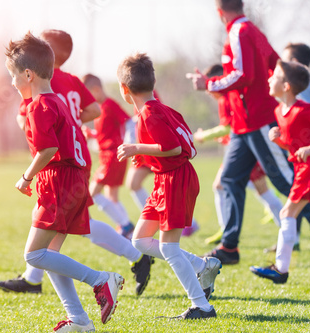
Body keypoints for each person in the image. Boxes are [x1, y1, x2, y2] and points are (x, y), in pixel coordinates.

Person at [0, 29, 153, 298]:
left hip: (59, 166)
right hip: (77, 157)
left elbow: (30, 125)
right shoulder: (70, 81)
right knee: (64, 232)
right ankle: (50, 290)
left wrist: (29, 169)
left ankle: (108, 273)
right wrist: (70, 122)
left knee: (56, 235)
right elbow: (94, 111)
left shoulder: (40, 87)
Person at [186, 0, 310, 266]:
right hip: (241, 124)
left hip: (257, 119)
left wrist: (208, 83)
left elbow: (244, 75)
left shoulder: (241, 32)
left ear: (219, 11)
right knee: (230, 180)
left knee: (284, 180)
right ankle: (230, 247)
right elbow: (274, 64)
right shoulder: (251, 31)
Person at [4, 32, 124, 332]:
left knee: (33, 254)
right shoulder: (57, 101)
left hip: (59, 181)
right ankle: (79, 321)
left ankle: (100, 279)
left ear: (28, 74)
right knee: (49, 256)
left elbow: (49, 150)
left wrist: (25, 177)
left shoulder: (37, 106)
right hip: (71, 179)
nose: (12, 83)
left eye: (13, 76)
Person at [116, 53, 221, 320]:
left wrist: (135, 148)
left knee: (169, 248)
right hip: (167, 180)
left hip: (175, 179)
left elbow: (173, 147)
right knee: (140, 240)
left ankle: (201, 306)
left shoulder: (149, 113)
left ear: (124, 90)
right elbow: (184, 146)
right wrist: (142, 154)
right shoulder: (165, 109)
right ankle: (202, 264)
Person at [250, 60, 310, 284]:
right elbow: (292, 148)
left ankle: (280, 269)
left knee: (286, 213)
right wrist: (279, 140)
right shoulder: (279, 111)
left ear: (287, 86)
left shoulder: (305, 109)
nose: (270, 79)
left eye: (275, 76)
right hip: (304, 167)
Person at [194, 64, 283, 245]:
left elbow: (227, 127)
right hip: (243, 149)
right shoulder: (226, 99)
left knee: (262, 190)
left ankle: (292, 231)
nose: (209, 91)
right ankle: (227, 229)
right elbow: (233, 128)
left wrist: (203, 135)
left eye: (212, 84)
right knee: (223, 185)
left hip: (248, 151)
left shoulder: (226, 98)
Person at [125, 91, 200, 237]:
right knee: (136, 185)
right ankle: (157, 219)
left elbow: (172, 146)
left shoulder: (148, 102)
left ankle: (186, 223)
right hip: (150, 150)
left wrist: (138, 147)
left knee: (166, 186)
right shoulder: (142, 103)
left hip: (159, 152)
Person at [82, 73, 135, 239]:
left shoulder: (110, 105)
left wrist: (129, 145)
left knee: (93, 193)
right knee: (111, 196)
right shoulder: (99, 108)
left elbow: (129, 122)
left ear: (96, 89)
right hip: (108, 156)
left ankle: (126, 225)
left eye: (87, 95)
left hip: (113, 155)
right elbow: (106, 132)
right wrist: (92, 134)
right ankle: (127, 228)